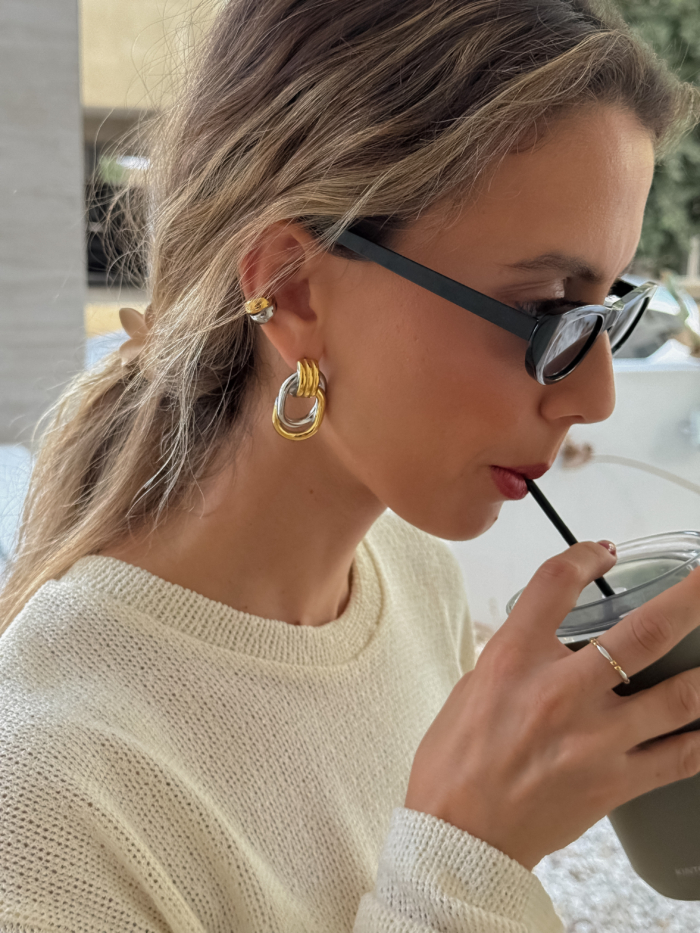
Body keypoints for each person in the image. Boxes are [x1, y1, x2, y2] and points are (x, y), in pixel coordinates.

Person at [1, 1, 700, 930]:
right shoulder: (45, 795)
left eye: (606, 312)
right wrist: (469, 857)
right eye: (547, 311)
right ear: (291, 291)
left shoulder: (412, 582)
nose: (596, 395)